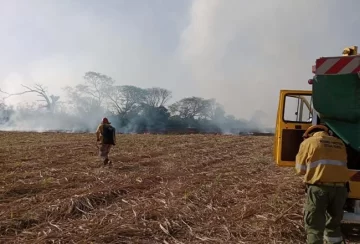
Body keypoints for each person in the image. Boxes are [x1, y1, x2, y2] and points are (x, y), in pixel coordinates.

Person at [295, 124, 349, 244]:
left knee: (314, 226)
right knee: (333, 225)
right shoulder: (339, 143)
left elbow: (300, 169)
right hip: (340, 190)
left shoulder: (309, 142)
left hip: (319, 189)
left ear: (309, 134)